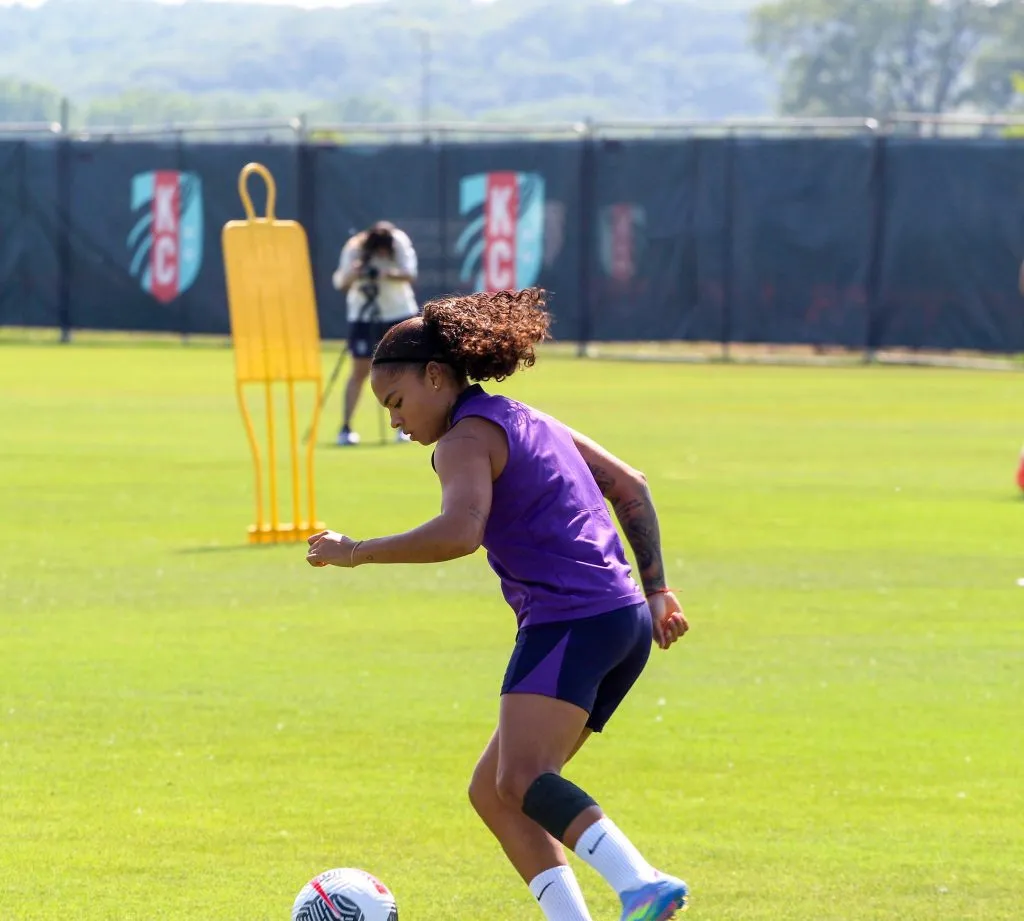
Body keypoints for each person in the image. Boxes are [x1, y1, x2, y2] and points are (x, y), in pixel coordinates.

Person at [305, 288, 692, 921]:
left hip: (568, 620)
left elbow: (460, 532)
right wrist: (657, 589)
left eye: (397, 402)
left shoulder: (462, 440)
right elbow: (631, 485)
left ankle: (641, 882)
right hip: (620, 620)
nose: (395, 421)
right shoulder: (526, 418)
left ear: (436, 376)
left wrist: (355, 552)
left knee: (520, 779)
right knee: (494, 791)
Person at [331, 220, 419, 446]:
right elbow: (340, 282)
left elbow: (409, 273)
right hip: (363, 314)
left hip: (398, 312)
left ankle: (405, 425)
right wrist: (356, 272)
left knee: (403, 370)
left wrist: (386, 273)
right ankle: (346, 427)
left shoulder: (399, 241)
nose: (382, 253)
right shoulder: (354, 247)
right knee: (359, 371)